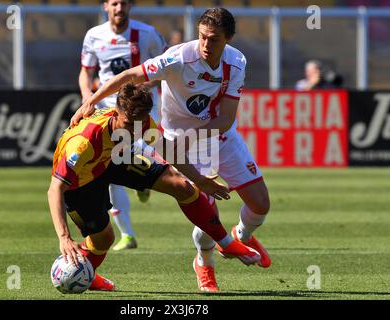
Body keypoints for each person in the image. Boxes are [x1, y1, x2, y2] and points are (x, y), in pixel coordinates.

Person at [70, 8, 272, 293]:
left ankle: (242, 234)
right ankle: (204, 263)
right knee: (205, 207)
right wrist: (92, 100)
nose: (205, 44)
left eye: (213, 39)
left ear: (228, 39)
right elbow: (131, 75)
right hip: (178, 140)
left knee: (261, 203)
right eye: (202, 36)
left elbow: (225, 119)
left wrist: (191, 138)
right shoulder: (178, 57)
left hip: (219, 136)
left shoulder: (236, 62)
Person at [48, 83, 260, 291]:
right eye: (128, 124)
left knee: (181, 185)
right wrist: (64, 238)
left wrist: (200, 179)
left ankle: (224, 241)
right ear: (115, 113)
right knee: (104, 239)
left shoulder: (140, 122)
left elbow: (166, 149)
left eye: (138, 124)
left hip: (113, 157)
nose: (134, 131)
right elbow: (55, 188)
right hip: (81, 182)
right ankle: (87, 274)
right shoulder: (82, 144)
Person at [79, 0, 167, 251]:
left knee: (145, 160)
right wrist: (88, 98)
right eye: (114, 3)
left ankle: (144, 181)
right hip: (110, 113)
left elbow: (169, 66)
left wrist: (146, 86)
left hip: (141, 111)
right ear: (106, 5)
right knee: (111, 169)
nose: (119, 8)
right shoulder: (94, 36)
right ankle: (127, 234)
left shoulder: (147, 34)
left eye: (124, 3)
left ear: (131, 5)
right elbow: (86, 71)